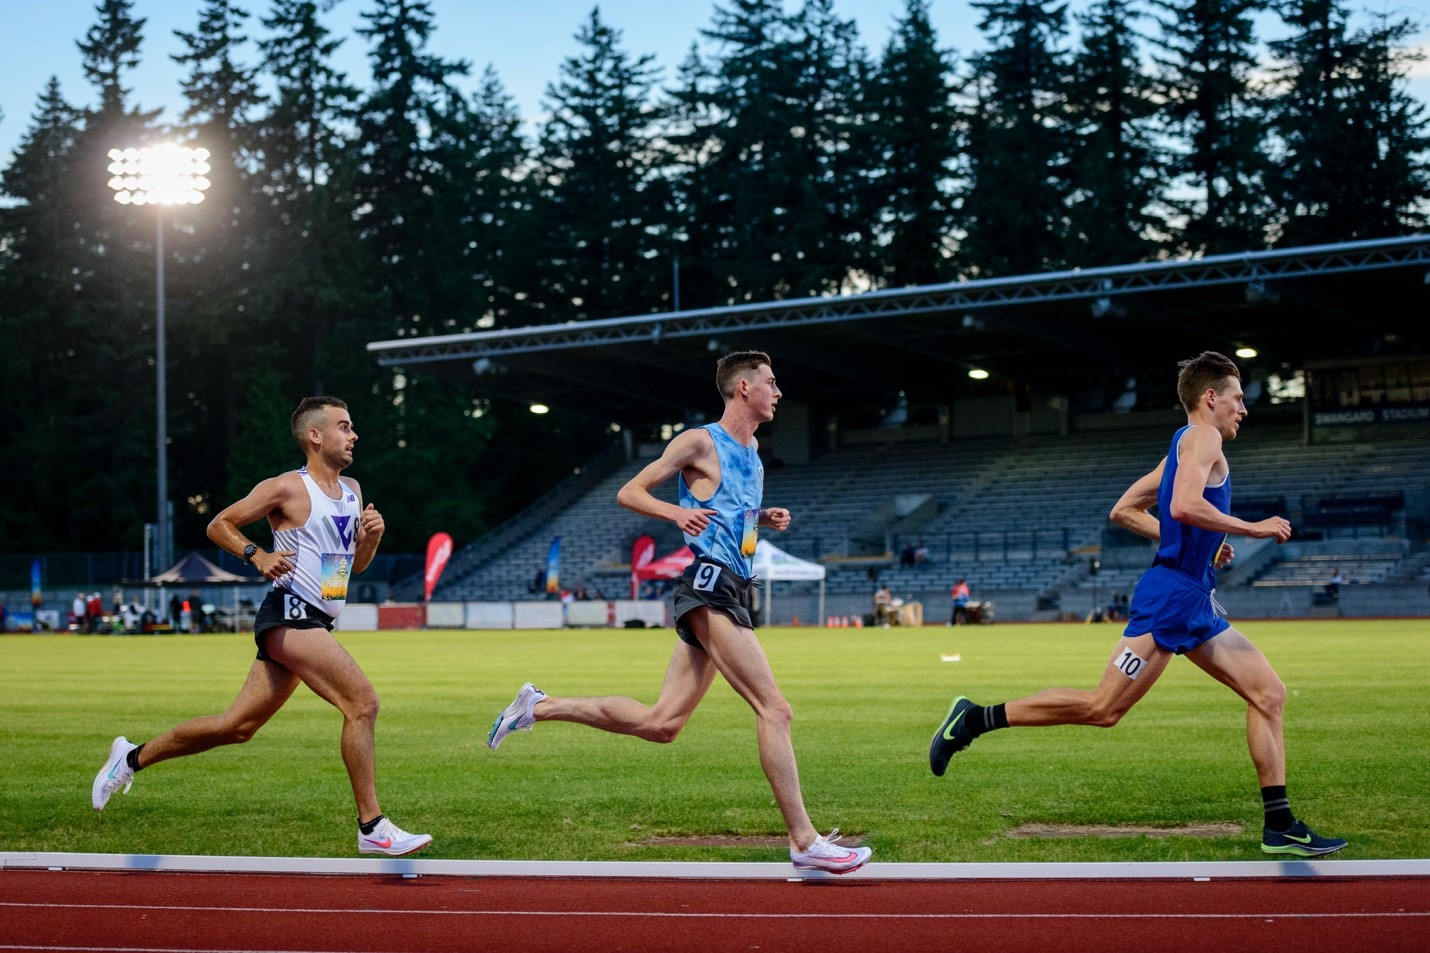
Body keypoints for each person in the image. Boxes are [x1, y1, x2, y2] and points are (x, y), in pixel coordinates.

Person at [929, 351, 1346, 858]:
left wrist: (1208, 544)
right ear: (1210, 397)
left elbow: (1125, 510)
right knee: (1102, 708)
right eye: (1237, 398)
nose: (1243, 408)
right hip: (1171, 597)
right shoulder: (1203, 437)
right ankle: (973, 719)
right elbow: (1182, 507)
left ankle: (1280, 825)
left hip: (1194, 597)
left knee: (1269, 694)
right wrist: (1250, 527)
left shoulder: (1181, 445)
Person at [487, 351, 870, 875]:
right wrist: (676, 511)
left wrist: (763, 518)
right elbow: (630, 492)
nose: (778, 392)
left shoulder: (754, 452)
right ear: (742, 388)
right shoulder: (698, 441)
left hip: (733, 586)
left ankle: (539, 707)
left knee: (662, 723)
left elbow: (732, 515)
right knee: (775, 709)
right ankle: (804, 841)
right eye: (771, 383)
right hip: (709, 586)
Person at [91, 396, 430, 857]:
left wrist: (371, 539)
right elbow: (219, 524)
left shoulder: (351, 490)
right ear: (315, 436)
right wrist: (258, 555)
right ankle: (371, 825)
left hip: (317, 619)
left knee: (237, 726)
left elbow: (347, 571)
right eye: (344, 427)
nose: (353, 436)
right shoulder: (288, 488)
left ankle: (130, 757)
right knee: (362, 703)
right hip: (289, 613)